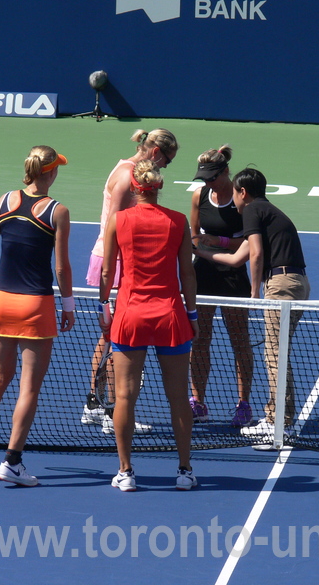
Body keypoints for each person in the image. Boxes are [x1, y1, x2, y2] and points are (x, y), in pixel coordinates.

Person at [0, 145, 75, 486]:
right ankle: (12, 462)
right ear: (51, 172)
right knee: (29, 388)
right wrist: (68, 306)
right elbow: (61, 267)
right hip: (35, 306)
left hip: (2, 301)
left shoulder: (4, 200)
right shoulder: (58, 211)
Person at [99, 159, 199, 491]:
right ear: (158, 188)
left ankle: (125, 472)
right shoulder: (178, 221)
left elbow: (106, 272)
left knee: (125, 396)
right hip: (170, 316)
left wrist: (103, 304)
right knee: (179, 397)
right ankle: (184, 471)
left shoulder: (119, 220)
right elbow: (187, 273)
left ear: (137, 188)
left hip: (130, 316)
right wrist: (193, 314)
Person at [194, 167, 310, 443]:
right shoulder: (265, 212)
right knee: (276, 354)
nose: (232, 199)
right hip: (294, 283)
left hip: (281, 285)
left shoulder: (251, 210)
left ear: (242, 192)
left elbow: (256, 254)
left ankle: (279, 422)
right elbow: (236, 259)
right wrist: (197, 251)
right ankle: (276, 418)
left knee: (275, 356)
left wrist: (253, 293)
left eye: (234, 193)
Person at [82, 128, 179, 436]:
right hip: (118, 262)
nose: (166, 167)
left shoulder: (125, 167)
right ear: (155, 153)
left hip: (117, 260)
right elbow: (115, 226)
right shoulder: (127, 177)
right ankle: (112, 410)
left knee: (110, 335)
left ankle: (95, 404)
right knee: (117, 336)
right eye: (167, 160)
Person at [188, 145, 253, 427]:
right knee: (199, 339)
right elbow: (193, 236)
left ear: (226, 171)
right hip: (202, 275)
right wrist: (205, 249)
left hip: (234, 277)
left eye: (212, 177)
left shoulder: (243, 199)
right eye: (204, 178)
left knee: (239, 340)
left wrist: (220, 243)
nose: (208, 182)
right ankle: (198, 402)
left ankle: (244, 404)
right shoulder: (199, 195)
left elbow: (253, 241)